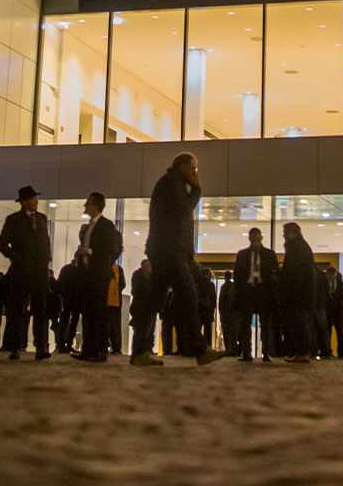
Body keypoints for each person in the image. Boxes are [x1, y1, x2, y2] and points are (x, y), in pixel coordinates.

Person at [132, 154, 224, 367]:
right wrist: (197, 189)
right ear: (183, 167)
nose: (195, 172)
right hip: (169, 251)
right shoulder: (171, 185)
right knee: (189, 295)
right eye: (193, 168)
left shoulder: (171, 184)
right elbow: (184, 209)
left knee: (154, 301)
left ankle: (139, 352)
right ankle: (200, 349)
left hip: (167, 250)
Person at [0, 186, 53, 360]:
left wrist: (46, 258)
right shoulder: (14, 220)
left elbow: (45, 241)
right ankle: (15, 346)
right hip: (21, 271)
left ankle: (41, 347)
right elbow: (1, 244)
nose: (36, 201)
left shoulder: (42, 218)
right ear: (24, 202)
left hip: (39, 271)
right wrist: (17, 258)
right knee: (17, 310)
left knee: (40, 310)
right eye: (32, 199)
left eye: (36, 198)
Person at [71, 192, 121, 363]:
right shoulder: (88, 227)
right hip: (86, 273)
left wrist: (89, 251)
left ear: (95, 205)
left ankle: (100, 350)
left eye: (88, 203)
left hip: (99, 274)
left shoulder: (106, 225)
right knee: (87, 312)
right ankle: (88, 349)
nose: (85, 206)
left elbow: (111, 248)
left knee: (99, 312)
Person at [232, 227, 278, 360]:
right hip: (247, 290)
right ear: (249, 239)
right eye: (253, 240)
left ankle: (266, 352)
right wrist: (240, 291)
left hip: (264, 290)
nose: (256, 243)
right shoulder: (242, 255)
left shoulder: (269, 255)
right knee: (245, 323)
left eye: (257, 240)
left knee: (265, 323)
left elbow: (274, 273)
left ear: (261, 238)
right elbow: (237, 275)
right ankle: (246, 352)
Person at [278, 222, 318, 363]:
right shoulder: (303, 247)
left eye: (285, 232)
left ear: (292, 232)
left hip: (297, 293)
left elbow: (293, 271)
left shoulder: (295, 247)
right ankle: (300, 351)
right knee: (299, 322)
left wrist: (282, 275)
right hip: (302, 292)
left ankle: (302, 352)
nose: (283, 235)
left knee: (298, 322)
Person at [129, 258, 154, 356]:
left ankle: (148, 349)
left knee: (150, 328)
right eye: (147, 265)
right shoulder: (137, 275)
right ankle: (138, 350)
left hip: (150, 306)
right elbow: (136, 290)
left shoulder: (152, 277)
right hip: (139, 306)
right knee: (140, 329)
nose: (149, 268)